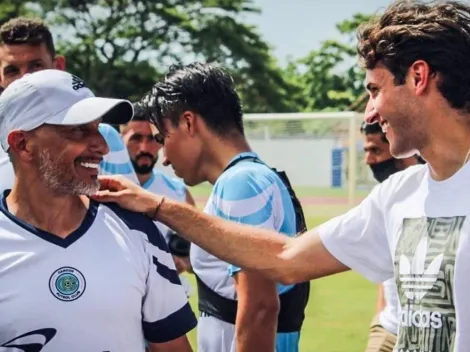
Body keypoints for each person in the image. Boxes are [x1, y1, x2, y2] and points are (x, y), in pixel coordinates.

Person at [93, 1, 470, 351]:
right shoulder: (399, 194)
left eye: (375, 90)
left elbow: (260, 304)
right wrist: (158, 206)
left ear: (418, 77)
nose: (370, 113)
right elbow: (285, 257)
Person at [0, 69, 196, 351]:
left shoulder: (137, 231)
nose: (103, 147)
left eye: (98, 128)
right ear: (22, 144)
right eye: (79, 130)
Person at [132, 62, 309, 352]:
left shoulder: (241, 183)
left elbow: (260, 308)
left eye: (163, 139)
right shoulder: (252, 178)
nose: (162, 157)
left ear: (189, 123)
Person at [0, 16, 138, 191]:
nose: (25, 78)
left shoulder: (107, 137)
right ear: (20, 143)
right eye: (12, 70)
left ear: (58, 66)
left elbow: (128, 206)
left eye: (36, 66)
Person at [360, 100, 423, 352]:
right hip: (389, 329)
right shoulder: (383, 196)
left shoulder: (436, 188)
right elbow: (387, 264)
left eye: (375, 150)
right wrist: (380, 319)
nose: (368, 160)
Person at [120, 104, 195, 293]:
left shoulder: (178, 192)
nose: (145, 147)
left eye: (153, 139)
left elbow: (198, 257)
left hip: (165, 301)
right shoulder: (101, 187)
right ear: (121, 139)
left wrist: (183, 261)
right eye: (136, 138)